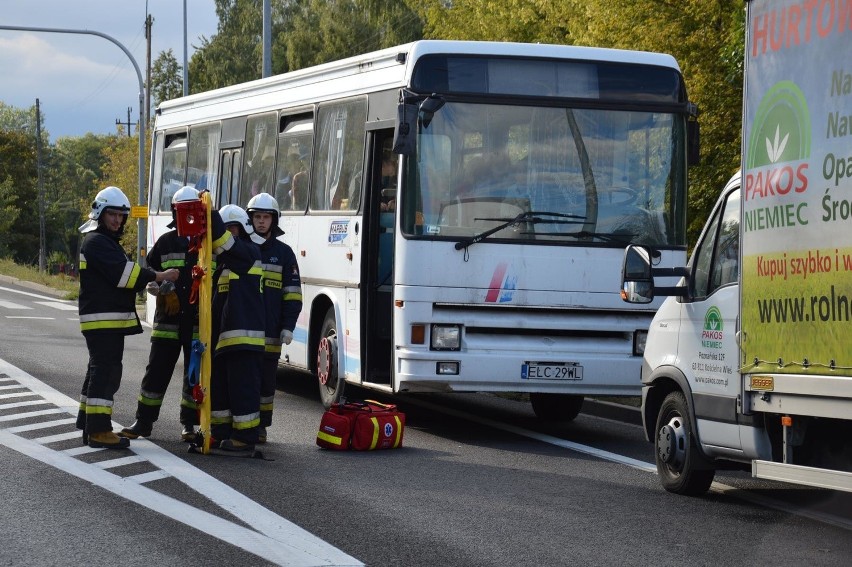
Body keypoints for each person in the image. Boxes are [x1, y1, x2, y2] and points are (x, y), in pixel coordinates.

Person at [76, 186, 179, 449]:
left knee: (98, 369)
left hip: (105, 320)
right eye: (112, 215)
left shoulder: (102, 242)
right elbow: (127, 276)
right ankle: (98, 431)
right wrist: (161, 276)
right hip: (104, 320)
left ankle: (88, 422)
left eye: (121, 216)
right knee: (106, 371)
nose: (117, 220)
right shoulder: (98, 242)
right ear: (99, 213)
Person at [120, 186, 201, 443]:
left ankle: (189, 424)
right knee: (156, 372)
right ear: (175, 212)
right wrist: (160, 289)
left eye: (193, 210)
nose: (188, 215)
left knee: (194, 375)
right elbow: (149, 275)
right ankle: (143, 421)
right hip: (168, 321)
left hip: (199, 323)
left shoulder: (207, 242)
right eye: (183, 210)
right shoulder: (166, 242)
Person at [208, 204, 266, 452]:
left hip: (244, 338)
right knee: (220, 388)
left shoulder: (248, 252)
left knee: (243, 389)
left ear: (243, 229)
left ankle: (246, 436)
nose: (229, 233)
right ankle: (220, 432)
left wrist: (210, 214)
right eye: (226, 228)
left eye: (233, 228)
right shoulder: (222, 262)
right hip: (224, 338)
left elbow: (225, 243)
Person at [246, 193, 303, 443]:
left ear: (274, 220)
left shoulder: (284, 254)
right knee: (244, 380)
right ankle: (242, 424)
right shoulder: (242, 249)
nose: (261, 222)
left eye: (265, 217)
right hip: (244, 332)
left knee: (267, 385)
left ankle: (261, 427)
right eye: (257, 217)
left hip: (270, 334)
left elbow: (292, 295)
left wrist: (288, 327)